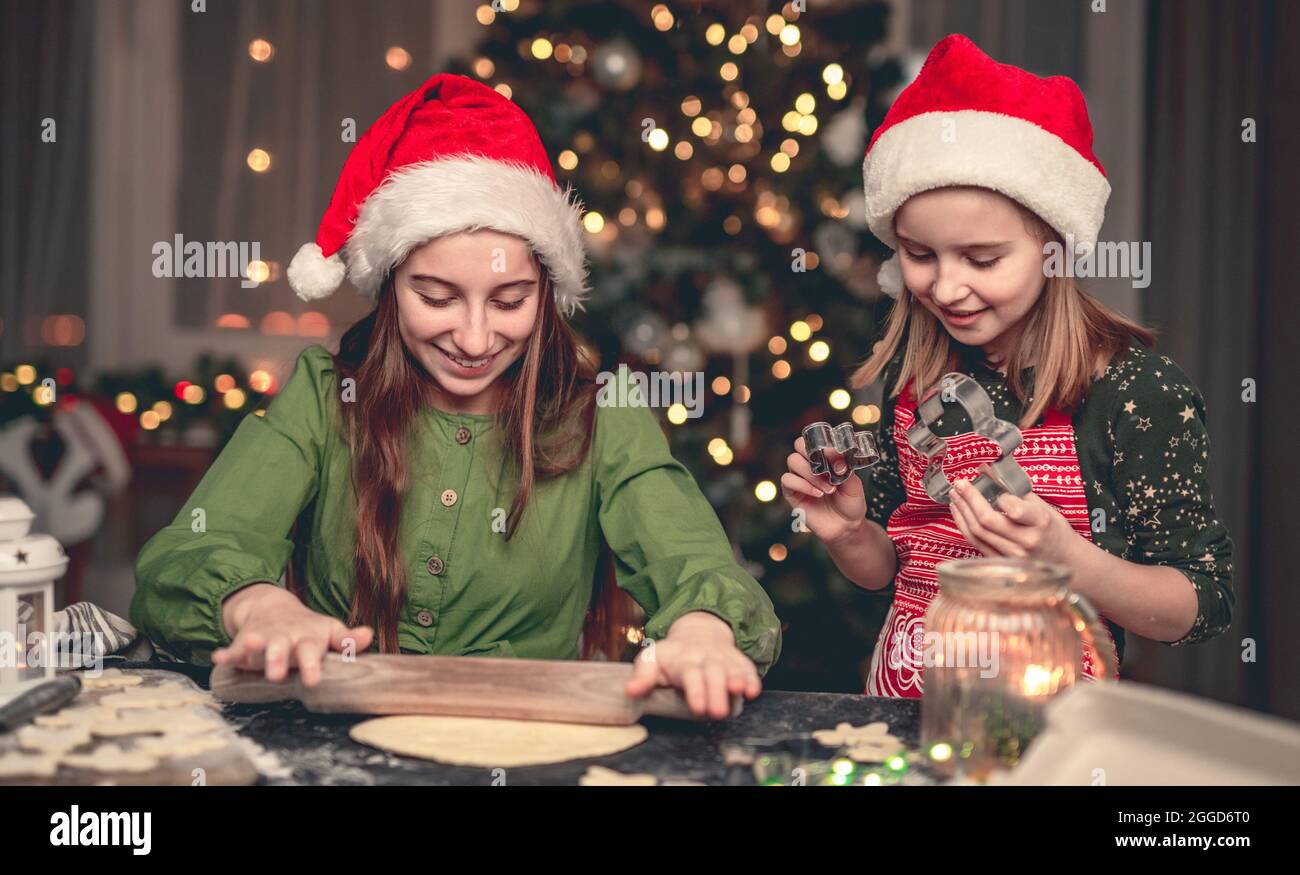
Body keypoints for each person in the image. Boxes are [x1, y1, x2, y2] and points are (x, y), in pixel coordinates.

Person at [132, 73, 781, 719]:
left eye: (509, 300)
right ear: (389, 286)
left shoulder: (603, 411)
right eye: (436, 297)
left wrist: (704, 628)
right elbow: (183, 561)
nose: (474, 338)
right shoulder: (325, 396)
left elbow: (697, 562)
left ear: (547, 291)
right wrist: (257, 604)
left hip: (535, 749)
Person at [781, 35, 1233, 698]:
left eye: (983, 259)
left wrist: (1064, 556)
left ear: (1053, 246)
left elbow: (1200, 604)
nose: (946, 287)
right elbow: (887, 569)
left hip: (1050, 736)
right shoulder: (913, 369)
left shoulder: (1136, 393)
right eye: (919, 253)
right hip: (905, 716)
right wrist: (849, 532)